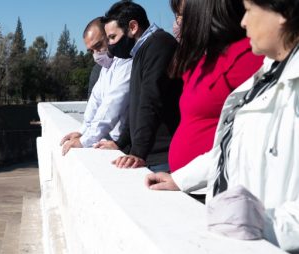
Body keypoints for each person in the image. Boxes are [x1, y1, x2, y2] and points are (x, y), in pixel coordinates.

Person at [146, 0, 299, 252]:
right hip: (236, 240)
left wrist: (262, 223)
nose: (243, 21)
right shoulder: (265, 75)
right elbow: (231, 149)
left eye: (249, 10)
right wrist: (181, 179)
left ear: (282, 12)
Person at [167, 0, 263, 172]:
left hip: (216, 185)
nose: (178, 22)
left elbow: (254, 138)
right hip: (189, 183)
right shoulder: (201, 61)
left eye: (181, 15)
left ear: (201, 12)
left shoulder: (246, 55)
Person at [98, 1, 182, 170]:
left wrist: (137, 153)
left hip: (162, 157)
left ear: (133, 27)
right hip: (151, 155)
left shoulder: (159, 44)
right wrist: (121, 144)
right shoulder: (141, 50)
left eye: (113, 37)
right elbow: (136, 106)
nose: (111, 45)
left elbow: (151, 101)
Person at [59, 17, 133, 156]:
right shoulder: (106, 67)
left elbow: (112, 105)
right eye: (91, 51)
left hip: (128, 145)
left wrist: (84, 141)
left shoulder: (126, 62)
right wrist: (83, 132)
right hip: (113, 141)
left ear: (109, 36)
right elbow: (95, 102)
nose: (96, 54)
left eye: (98, 46)